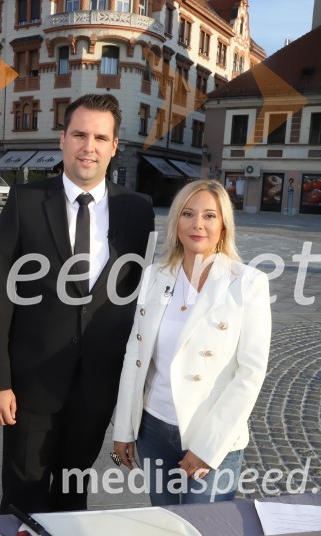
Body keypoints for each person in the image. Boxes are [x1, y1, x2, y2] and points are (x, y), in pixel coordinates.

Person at [0, 94, 156, 514]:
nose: (88, 146)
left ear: (115, 147)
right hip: (30, 383)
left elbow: (139, 297)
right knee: (24, 491)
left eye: (100, 137)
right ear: (62, 139)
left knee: (73, 489)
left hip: (97, 383)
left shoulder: (138, 209)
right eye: (79, 134)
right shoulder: (25, 201)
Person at [112, 179, 271, 505]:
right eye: (188, 213)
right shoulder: (154, 275)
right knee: (167, 525)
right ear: (176, 222)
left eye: (210, 216)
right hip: (153, 429)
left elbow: (250, 374)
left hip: (211, 434)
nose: (198, 224)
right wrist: (123, 430)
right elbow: (135, 356)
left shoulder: (248, 283)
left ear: (224, 225)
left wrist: (208, 447)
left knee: (204, 535)